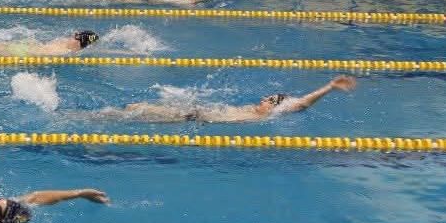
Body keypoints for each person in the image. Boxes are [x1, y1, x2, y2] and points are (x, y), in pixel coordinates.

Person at [83, 76, 356, 124]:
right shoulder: (255, 111)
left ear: (276, 106)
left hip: (191, 118)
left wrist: (330, 87)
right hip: (193, 113)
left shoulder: (266, 114)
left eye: (269, 98)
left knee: (132, 111)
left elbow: (303, 103)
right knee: (133, 109)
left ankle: (82, 118)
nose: (263, 98)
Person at [0, 30, 101, 57]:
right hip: (22, 50)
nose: (73, 37)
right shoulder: (65, 49)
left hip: (23, 48)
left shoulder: (63, 45)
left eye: (76, 36)